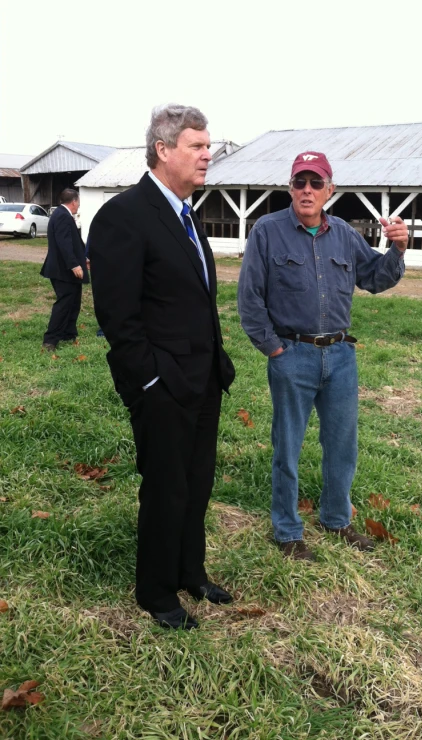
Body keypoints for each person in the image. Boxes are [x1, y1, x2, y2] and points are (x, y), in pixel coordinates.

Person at [88, 104, 235, 630]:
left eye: (207, 145)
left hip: (203, 378)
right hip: (163, 384)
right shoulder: (124, 216)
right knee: (166, 487)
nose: (207, 155)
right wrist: (149, 380)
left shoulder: (186, 213)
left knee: (197, 484)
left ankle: (189, 572)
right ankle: (155, 591)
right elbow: (117, 315)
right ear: (163, 150)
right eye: (197, 146)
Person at [238, 151, 408, 561]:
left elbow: (374, 278)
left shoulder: (345, 235)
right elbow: (249, 300)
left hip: (340, 357)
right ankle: (287, 530)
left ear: (330, 190)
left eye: (316, 183)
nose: (308, 190)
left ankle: (336, 519)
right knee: (288, 445)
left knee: (342, 444)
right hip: (292, 354)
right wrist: (274, 349)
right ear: (290, 188)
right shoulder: (267, 230)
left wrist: (397, 250)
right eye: (300, 183)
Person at [41, 188, 88, 351]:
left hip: (65, 269)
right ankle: (50, 340)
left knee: (74, 301)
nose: (78, 206)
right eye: (78, 202)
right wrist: (74, 265)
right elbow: (64, 243)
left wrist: (84, 258)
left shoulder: (62, 214)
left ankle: (68, 333)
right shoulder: (62, 216)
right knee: (64, 303)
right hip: (63, 270)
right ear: (74, 201)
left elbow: (73, 242)